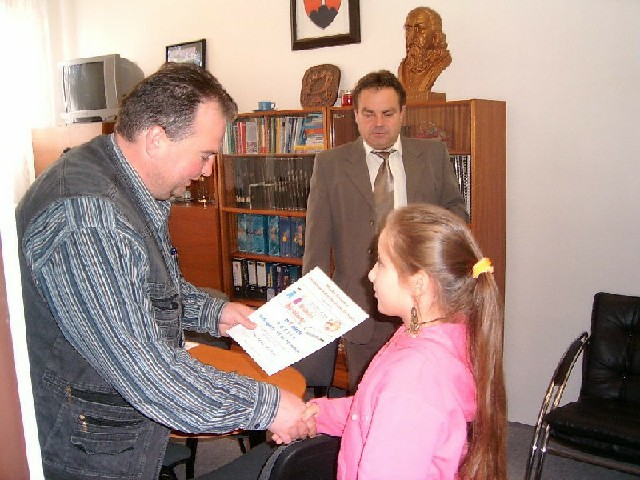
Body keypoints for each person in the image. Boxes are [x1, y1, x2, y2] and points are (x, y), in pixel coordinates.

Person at [16, 62, 312, 480]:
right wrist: (270, 406)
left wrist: (214, 312)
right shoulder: (89, 221)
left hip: (107, 428)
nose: (208, 171)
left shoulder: (116, 176)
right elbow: (149, 373)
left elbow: (142, 283)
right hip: (87, 450)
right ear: (156, 139)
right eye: (204, 155)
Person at [304, 203, 507, 479]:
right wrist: (317, 414)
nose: (370, 274)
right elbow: (370, 410)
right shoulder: (430, 332)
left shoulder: (414, 380)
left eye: (381, 263)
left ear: (418, 283)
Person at [297, 69, 468, 392]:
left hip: (425, 301)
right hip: (361, 304)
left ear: (402, 113)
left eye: (387, 113)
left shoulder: (433, 155)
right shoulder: (330, 164)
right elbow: (316, 245)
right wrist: (312, 304)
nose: (378, 123)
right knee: (366, 395)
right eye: (369, 114)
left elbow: (456, 215)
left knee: (425, 391)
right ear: (355, 116)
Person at [397, 6, 452, 99]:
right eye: (408, 29)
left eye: (420, 29)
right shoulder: (403, 68)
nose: (412, 36)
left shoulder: (440, 62)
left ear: (435, 35)